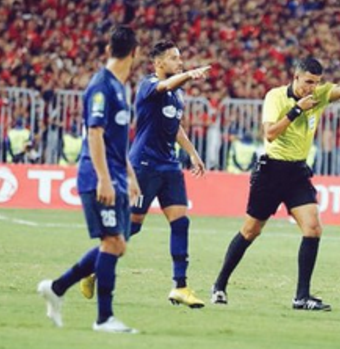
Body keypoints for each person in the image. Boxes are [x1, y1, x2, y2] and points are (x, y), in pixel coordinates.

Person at [210, 58, 340, 311]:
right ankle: (219, 285)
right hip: (271, 171)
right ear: (295, 77)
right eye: (308, 81)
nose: (312, 87)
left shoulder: (318, 95)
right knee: (250, 231)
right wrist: (296, 110)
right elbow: (270, 134)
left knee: (313, 228)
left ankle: (301, 296)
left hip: (297, 172)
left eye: (316, 82)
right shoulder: (275, 97)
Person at [37, 25, 142, 334]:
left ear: (108, 50)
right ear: (135, 54)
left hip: (116, 175)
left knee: (118, 244)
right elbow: (94, 134)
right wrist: (104, 179)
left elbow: (114, 142)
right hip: (98, 176)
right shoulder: (101, 86)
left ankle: (57, 287)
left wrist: (130, 176)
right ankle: (104, 318)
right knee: (112, 242)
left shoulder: (119, 88)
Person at [115, 41, 210, 307]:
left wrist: (193, 153)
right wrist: (188, 75)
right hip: (144, 165)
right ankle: (95, 263)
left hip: (169, 166)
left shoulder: (177, 94)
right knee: (133, 226)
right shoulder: (148, 85)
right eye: (174, 58)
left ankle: (180, 286)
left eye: (180, 58)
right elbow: (164, 86)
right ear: (158, 63)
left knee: (180, 223)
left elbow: (175, 127)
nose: (180, 62)